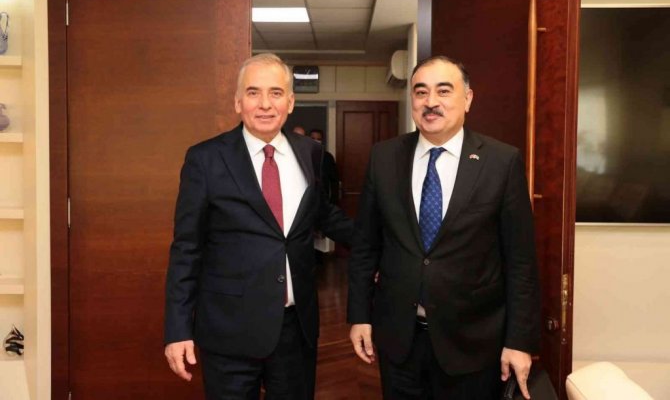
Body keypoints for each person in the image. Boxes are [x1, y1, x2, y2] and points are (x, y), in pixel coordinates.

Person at [347, 55, 540, 400]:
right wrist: (359, 316)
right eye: (421, 92)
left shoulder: (501, 162)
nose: (430, 102)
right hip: (399, 340)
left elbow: (521, 262)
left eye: (444, 91)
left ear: (467, 99)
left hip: (473, 343)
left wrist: (519, 341)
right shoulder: (383, 158)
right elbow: (365, 247)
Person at [164, 53, 353, 399]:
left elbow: (322, 214)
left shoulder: (310, 152)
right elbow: (186, 248)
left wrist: (384, 242)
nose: (265, 104)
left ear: (290, 102)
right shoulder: (205, 159)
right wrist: (178, 329)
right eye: (253, 93)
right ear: (238, 102)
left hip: (295, 329)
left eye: (275, 93)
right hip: (228, 330)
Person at [309, 129, 340, 205]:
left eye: (318, 139)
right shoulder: (303, 155)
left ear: (322, 141)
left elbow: (334, 181)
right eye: (313, 138)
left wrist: (333, 201)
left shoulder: (328, 157)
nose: (316, 141)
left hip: (323, 199)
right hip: (306, 199)